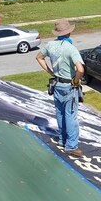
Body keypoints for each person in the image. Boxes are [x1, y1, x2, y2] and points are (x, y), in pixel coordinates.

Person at [36, 19, 85, 157]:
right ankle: (71, 146)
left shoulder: (50, 45)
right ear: (69, 32)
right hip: (68, 86)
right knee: (71, 117)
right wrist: (76, 80)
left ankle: (63, 140)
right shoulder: (70, 48)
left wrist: (51, 72)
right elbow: (80, 69)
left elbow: (39, 57)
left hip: (57, 85)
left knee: (60, 114)